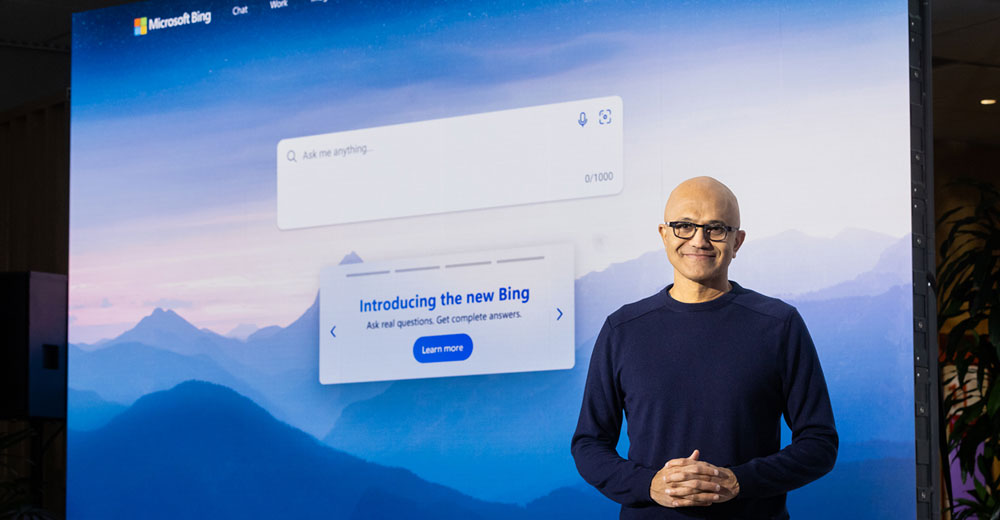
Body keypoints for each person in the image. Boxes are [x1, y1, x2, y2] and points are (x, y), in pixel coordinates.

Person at [571, 176, 837, 519]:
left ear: (737, 241)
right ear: (664, 234)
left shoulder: (779, 325)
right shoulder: (622, 329)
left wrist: (738, 481)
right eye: (684, 226)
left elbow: (819, 443)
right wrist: (649, 484)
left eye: (716, 228)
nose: (699, 240)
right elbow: (589, 445)